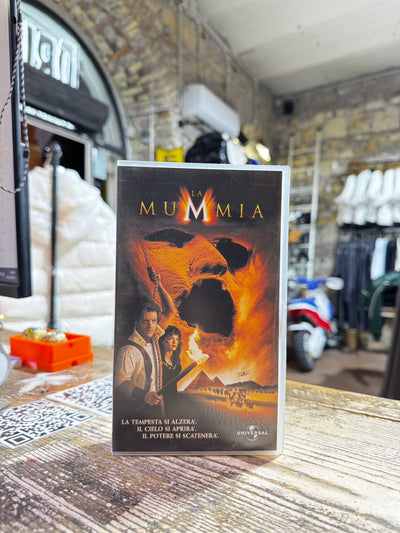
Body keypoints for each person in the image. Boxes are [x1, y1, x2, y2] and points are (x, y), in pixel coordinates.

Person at [115, 302, 165, 418]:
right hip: (139, 410)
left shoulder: (154, 343)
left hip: (155, 408)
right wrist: (144, 395)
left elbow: (170, 312)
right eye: (145, 321)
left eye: (153, 321)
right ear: (136, 322)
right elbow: (120, 381)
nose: (150, 326)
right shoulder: (128, 351)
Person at [159, 325, 182, 416]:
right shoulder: (158, 362)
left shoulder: (177, 363)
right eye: (170, 338)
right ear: (163, 341)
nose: (174, 342)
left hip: (174, 400)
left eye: (177, 339)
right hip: (160, 401)